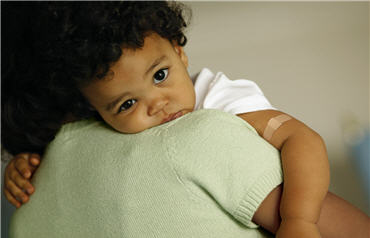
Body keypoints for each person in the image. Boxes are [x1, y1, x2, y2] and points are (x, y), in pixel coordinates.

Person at [2, 1, 368, 237]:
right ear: (94, 112)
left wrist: (299, 219)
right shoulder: (99, 135)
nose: (157, 104)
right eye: (127, 104)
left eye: (160, 75)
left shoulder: (219, 96)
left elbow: (300, 140)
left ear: (179, 52)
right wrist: (25, 164)